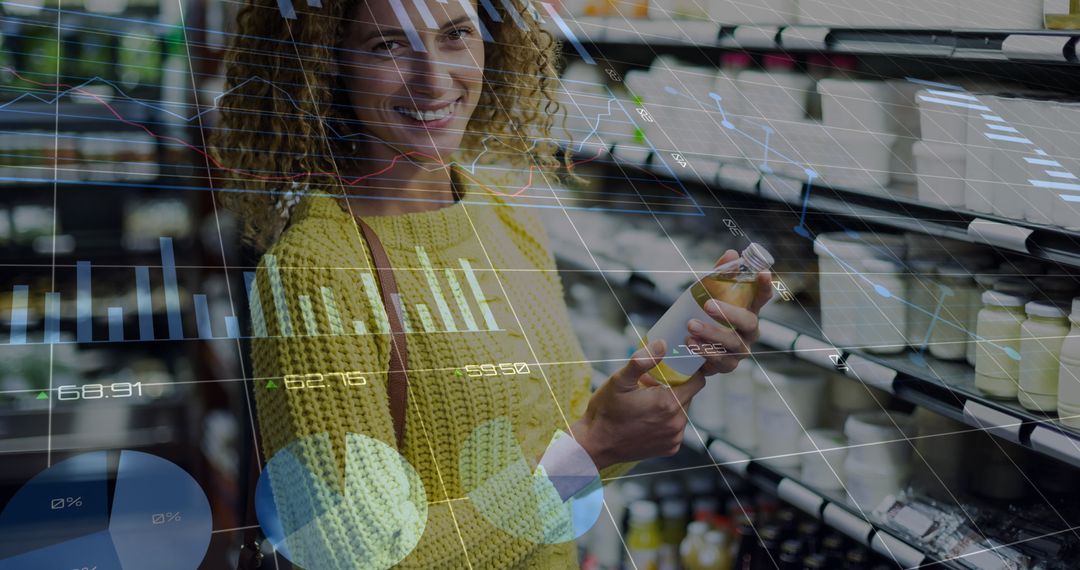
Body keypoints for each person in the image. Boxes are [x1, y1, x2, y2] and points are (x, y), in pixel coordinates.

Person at [212, 0, 771, 567]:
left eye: (456, 36)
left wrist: (674, 360)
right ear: (324, 64)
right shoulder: (315, 272)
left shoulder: (504, 218)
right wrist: (593, 448)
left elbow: (567, 449)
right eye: (389, 46)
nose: (434, 78)